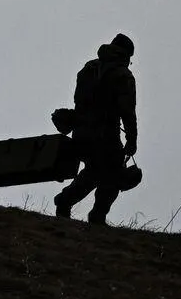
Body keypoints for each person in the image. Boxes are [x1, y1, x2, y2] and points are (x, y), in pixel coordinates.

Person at [52, 32, 137, 224]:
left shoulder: (88, 68)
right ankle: (97, 216)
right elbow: (127, 111)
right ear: (126, 55)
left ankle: (66, 201)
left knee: (94, 172)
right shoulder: (123, 75)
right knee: (113, 174)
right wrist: (132, 140)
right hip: (105, 134)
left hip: (81, 132)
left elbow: (80, 100)